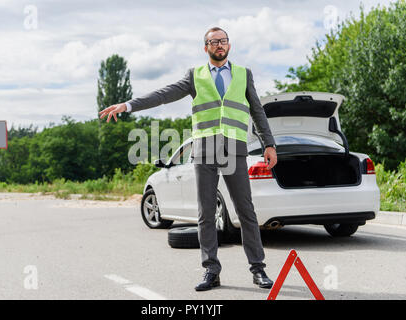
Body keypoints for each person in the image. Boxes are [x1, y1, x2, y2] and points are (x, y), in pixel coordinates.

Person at [99, 27, 277, 291]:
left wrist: (269, 143)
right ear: (205, 47)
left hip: (234, 149)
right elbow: (163, 94)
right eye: (214, 41)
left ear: (229, 45)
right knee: (205, 212)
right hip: (204, 149)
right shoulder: (195, 76)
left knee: (245, 210)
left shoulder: (243, 74)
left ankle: (258, 269)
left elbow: (257, 110)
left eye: (224, 41)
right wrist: (129, 105)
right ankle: (211, 271)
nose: (220, 45)